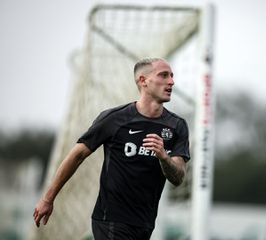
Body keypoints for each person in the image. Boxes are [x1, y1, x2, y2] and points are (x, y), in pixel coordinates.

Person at [33, 58, 190, 239]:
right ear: (143, 80)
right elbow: (77, 155)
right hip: (111, 220)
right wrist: (47, 199)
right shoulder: (114, 118)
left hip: (145, 223)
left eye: (171, 76)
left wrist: (164, 157)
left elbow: (178, 177)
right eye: (163, 75)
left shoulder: (177, 126)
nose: (171, 81)